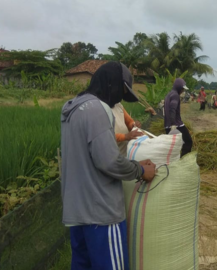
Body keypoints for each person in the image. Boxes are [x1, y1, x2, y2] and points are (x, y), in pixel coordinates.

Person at [60, 61, 157, 270]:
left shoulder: (74, 108)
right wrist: (140, 170)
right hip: (101, 215)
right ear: (112, 84)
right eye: (121, 92)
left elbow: (90, 157)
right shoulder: (98, 109)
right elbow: (109, 161)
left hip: (77, 212)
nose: (120, 99)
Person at [164, 78, 193, 157]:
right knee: (188, 141)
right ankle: (183, 161)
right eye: (182, 89)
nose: (183, 91)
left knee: (172, 146)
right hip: (177, 125)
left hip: (167, 126)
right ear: (179, 87)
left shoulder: (169, 95)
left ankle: (174, 160)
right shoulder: (175, 95)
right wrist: (173, 124)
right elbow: (172, 109)